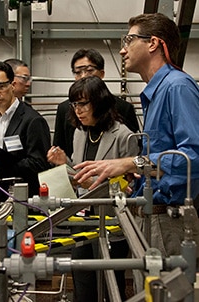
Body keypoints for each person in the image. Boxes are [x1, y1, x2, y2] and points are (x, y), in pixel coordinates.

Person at [73, 12, 199, 282]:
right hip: (152, 218)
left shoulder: (177, 87)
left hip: (169, 220)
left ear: (153, 43)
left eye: (128, 39)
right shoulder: (156, 92)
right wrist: (134, 180)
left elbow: (194, 157)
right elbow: (164, 159)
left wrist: (131, 162)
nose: (122, 49)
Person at [47, 76, 139, 301]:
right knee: (83, 282)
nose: (78, 110)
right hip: (82, 218)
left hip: (112, 223)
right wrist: (64, 164)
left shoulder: (124, 136)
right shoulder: (80, 133)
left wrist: (87, 182)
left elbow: (131, 188)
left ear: (100, 103)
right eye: (74, 104)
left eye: (83, 104)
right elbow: (80, 176)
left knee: (109, 284)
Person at [0, 61, 51, 213]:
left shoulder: (32, 120)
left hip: (28, 203)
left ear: (12, 85)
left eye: (1, 86)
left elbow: (39, 164)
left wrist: (0, 166)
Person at [53, 48, 139, 158]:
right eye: (78, 72)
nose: (83, 76)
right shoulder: (79, 131)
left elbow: (130, 164)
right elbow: (75, 164)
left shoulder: (123, 113)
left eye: (89, 71)